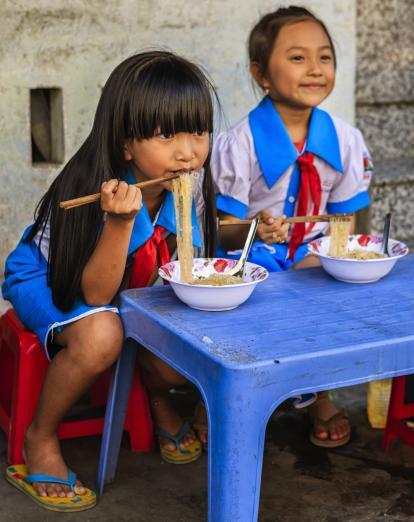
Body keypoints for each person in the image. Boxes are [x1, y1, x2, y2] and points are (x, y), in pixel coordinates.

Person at [3, 50, 217, 511]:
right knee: (102, 334)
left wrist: (254, 225)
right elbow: (95, 294)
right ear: (126, 146)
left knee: (189, 337)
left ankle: (155, 397)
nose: (187, 150)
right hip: (48, 277)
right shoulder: (98, 191)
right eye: (166, 135)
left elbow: (189, 242)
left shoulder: (187, 182)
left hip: (127, 280)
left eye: (197, 131)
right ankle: (39, 437)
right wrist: (120, 224)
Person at [211, 6, 373, 448]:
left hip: (311, 251)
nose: (316, 69)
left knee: (333, 279)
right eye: (298, 58)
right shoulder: (237, 143)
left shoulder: (345, 140)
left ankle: (318, 393)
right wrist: (253, 232)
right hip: (254, 255)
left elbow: (345, 224)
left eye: (325, 57)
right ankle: (218, 400)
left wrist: (331, 258)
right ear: (261, 74)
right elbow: (222, 234)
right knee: (249, 290)